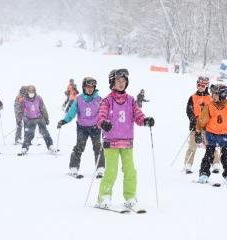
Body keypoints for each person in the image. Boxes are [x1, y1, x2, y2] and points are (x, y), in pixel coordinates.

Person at [96, 68, 155, 209]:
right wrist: (103, 123)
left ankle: (130, 196)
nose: (121, 84)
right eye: (118, 81)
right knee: (111, 171)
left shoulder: (131, 100)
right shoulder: (107, 100)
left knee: (130, 170)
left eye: (124, 81)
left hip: (127, 141)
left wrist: (145, 120)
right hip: (111, 141)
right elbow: (100, 116)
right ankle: (104, 196)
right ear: (112, 83)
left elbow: (138, 115)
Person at [57, 77, 105, 178]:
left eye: (92, 87)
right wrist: (65, 120)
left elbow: (104, 112)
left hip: (95, 127)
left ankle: (100, 168)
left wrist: (106, 122)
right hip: (82, 127)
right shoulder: (79, 99)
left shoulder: (99, 99)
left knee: (98, 147)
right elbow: (72, 111)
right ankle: (73, 167)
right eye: (88, 87)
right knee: (79, 147)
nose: (90, 89)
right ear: (84, 87)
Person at [195, 84, 227, 187]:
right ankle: (204, 174)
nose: (213, 96)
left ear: (223, 95)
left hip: (225, 134)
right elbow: (202, 120)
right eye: (213, 94)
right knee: (209, 155)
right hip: (212, 134)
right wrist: (198, 132)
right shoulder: (209, 106)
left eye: (215, 94)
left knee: (225, 156)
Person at [184, 76, 220, 174]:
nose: (200, 87)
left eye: (203, 85)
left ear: (206, 86)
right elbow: (189, 110)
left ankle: (216, 163)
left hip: (208, 127)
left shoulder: (210, 98)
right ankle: (188, 164)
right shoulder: (193, 97)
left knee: (211, 145)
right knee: (192, 145)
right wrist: (193, 119)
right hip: (195, 126)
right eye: (199, 85)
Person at [19, 85, 57, 155]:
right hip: (30, 118)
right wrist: (19, 119)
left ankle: (50, 145)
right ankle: (25, 147)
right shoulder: (24, 99)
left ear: (35, 91)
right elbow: (21, 110)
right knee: (29, 134)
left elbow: (43, 108)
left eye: (33, 91)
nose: (31, 92)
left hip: (39, 117)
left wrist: (46, 118)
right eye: (30, 91)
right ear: (27, 91)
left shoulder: (38, 98)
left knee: (45, 132)